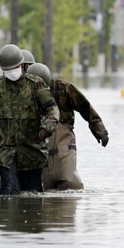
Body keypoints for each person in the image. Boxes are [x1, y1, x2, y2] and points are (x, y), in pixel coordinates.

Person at [0, 44, 59, 196]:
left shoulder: (35, 84)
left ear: (21, 65)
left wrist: (47, 127)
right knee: (8, 192)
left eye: (15, 68)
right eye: (8, 69)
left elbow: (52, 109)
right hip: (5, 152)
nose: (12, 72)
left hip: (32, 149)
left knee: (32, 194)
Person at [26, 63, 109, 191]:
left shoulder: (64, 89)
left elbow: (85, 107)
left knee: (71, 184)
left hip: (64, 145)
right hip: (41, 146)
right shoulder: (24, 94)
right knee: (44, 189)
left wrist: (99, 128)